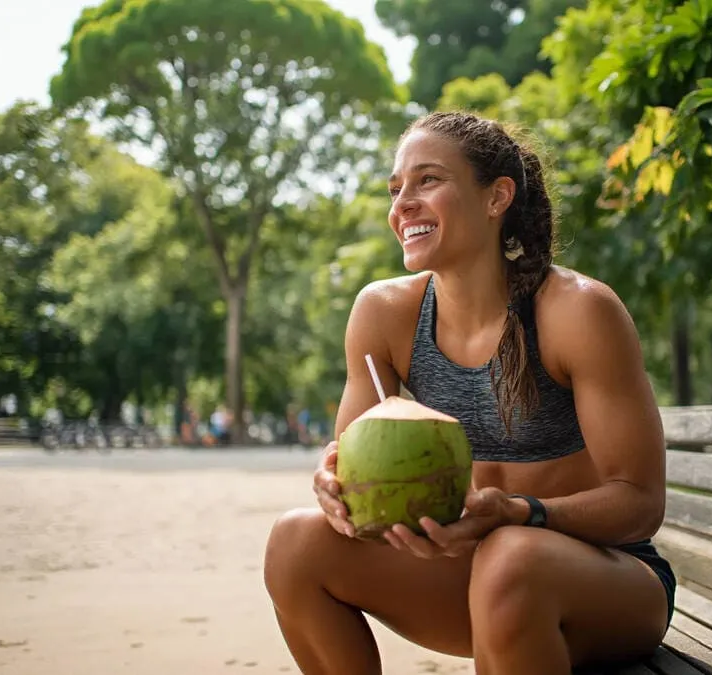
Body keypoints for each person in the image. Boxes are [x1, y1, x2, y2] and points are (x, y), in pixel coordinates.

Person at [263, 111, 676, 674]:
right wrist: (335, 489)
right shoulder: (384, 314)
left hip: (608, 581)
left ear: (496, 197)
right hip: (476, 577)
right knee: (295, 543)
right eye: (395, 189)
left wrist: (518, 513)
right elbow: (357, 480)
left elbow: (640, 503)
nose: (403, 204)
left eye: (428, 180)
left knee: (511, 556)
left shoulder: (577, 311)